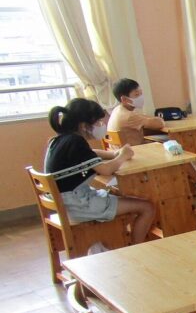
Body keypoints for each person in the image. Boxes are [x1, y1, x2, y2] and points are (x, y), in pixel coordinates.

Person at [44, 98, 155, 245]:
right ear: (83, 125)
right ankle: (136, 249)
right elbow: (106, 170)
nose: (101, 125)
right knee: (147, 207)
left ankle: (122, 242)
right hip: (78, 205)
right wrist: (122, 156)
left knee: (121, 196)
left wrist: (114, 154)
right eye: (98, 122)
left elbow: (91, 153)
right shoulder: (76, 142)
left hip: (66, 203)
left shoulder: (59, 140)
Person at [107, 78, 164, 146]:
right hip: (133, 150)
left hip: (119, 150)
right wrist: (157, 119)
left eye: (141, 93)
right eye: (137, 94)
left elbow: (141, 117)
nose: (141, 97)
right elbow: (160, 124)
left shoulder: (117, 110)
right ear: (124, 99)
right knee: (170, 142)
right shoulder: (129, 116)